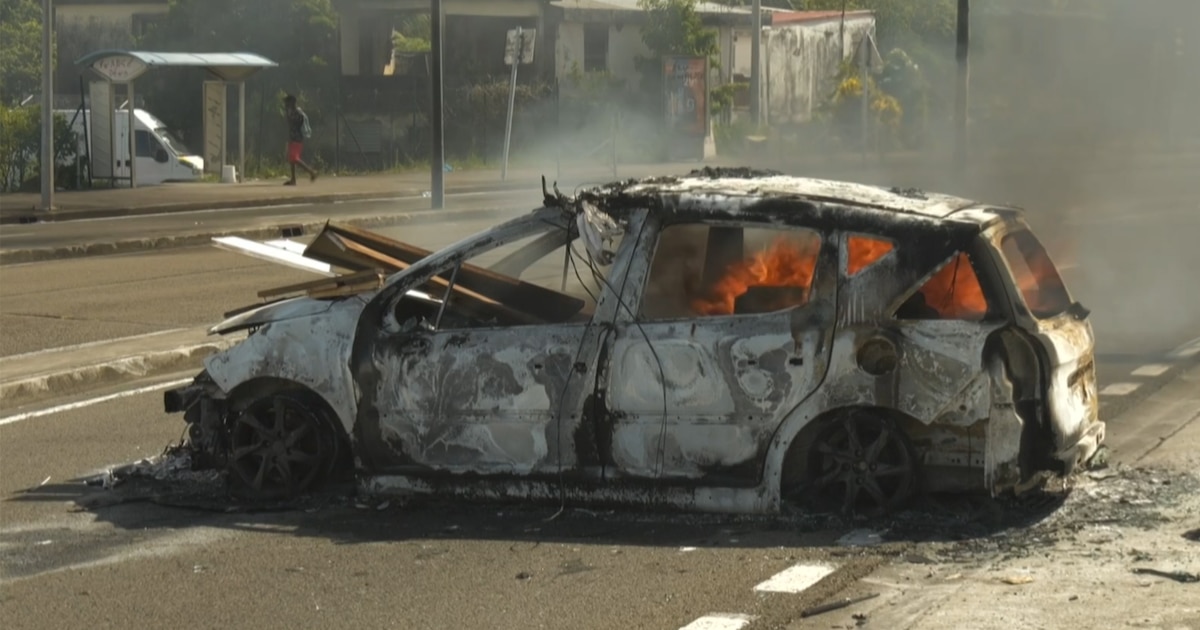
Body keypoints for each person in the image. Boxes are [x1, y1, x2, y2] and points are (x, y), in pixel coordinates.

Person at [283, 94, 317, 185]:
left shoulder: (298, 114)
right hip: (292, 138)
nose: (285, 105)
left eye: (287, 103)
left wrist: (289, 113)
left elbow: (295, 123)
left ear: (292, 103)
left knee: (294, 158)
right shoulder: (291, 112)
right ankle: (293, 179)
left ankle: (311, 172)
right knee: (291, 160)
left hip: (297, 139)